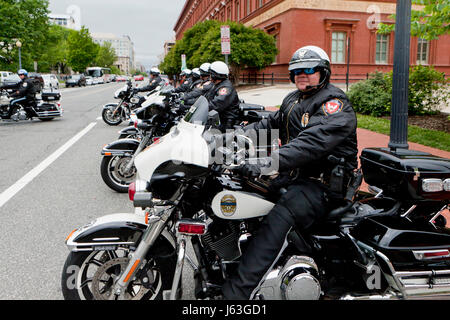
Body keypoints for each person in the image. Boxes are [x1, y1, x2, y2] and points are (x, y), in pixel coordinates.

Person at [221, 45, 358, 300]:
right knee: (245, 191)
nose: (302, 75)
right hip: (297, 176)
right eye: (296, 71)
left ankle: (238, 293)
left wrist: (264, 163)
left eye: (309, 69)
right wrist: (228, 139)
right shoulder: (294, 99)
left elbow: (309, 145)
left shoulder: (334, 104)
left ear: (323, 72)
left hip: (323, 186)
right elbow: (269, 125)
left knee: (279, 219)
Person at [204, 61, 240, 132]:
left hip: (227, 122)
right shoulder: (217, 85)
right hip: (218, 118)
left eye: (211, 74)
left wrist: (204, 108)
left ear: (216, 75)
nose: (210, 76)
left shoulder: (226, 88)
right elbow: (207, 98)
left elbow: (217, 103)